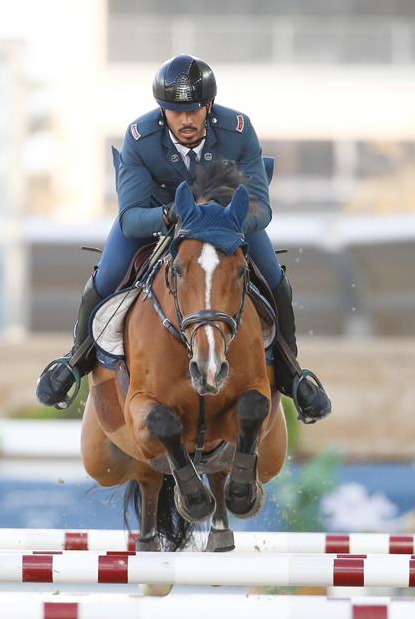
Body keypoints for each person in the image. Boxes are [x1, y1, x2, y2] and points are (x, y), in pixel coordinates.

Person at [35, 54, 331, 423]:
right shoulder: (140, 137)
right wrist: (170, 216)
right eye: (176, 112)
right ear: (163, 111)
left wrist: (230, 221)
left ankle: (292, 374)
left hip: (227, 223)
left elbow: (262, 209)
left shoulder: (239, 131)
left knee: (275, 280)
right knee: (106, 277)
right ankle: (75, 361)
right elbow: (130, 217)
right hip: (159, 219)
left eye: (194, 110)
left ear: (208, 106)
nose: (186, 120)